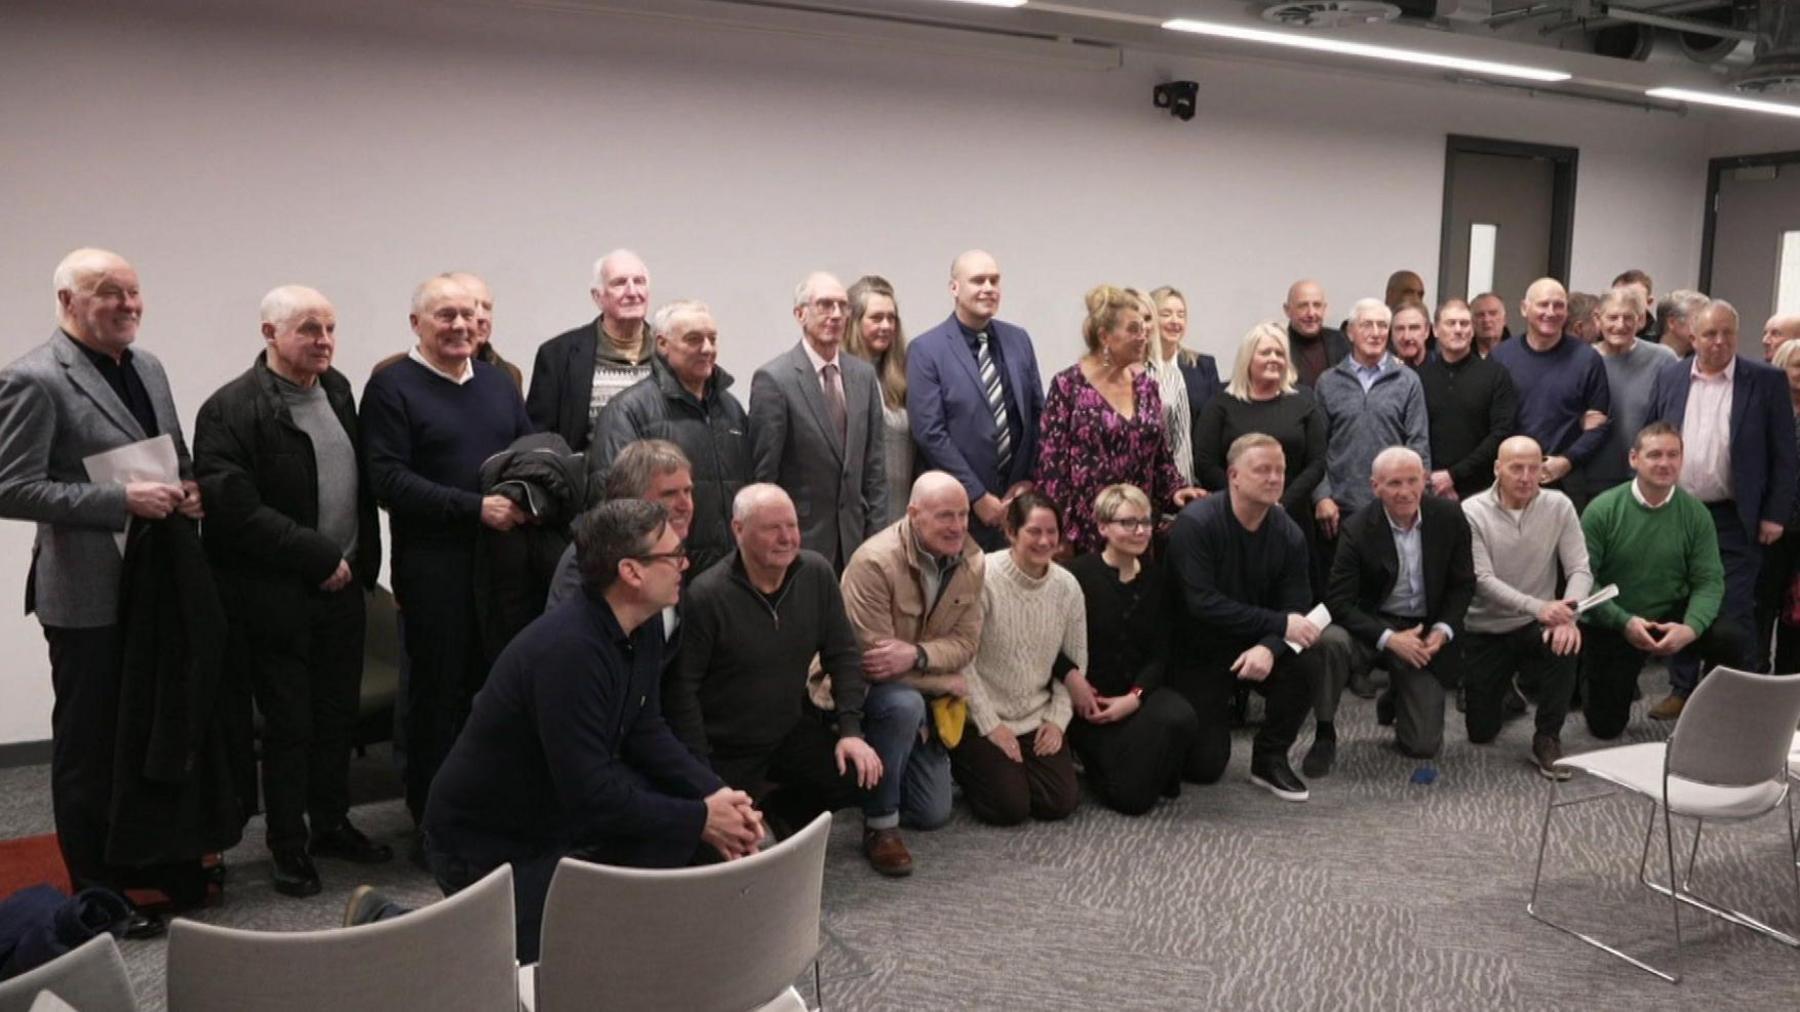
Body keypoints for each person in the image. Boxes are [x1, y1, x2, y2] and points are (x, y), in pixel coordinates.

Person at [415, 499, 762, 962]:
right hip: (485, 844)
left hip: (551, 816)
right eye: (673, 555)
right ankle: (389, 922)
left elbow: (646, 728)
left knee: (676, 854)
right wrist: (700, 818)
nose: (685, 564)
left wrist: (719, 797)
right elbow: (591, 793)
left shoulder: (644, 625)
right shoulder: (570, 652)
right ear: (631, 572)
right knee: (517, 960)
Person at [0, 249, 205, 923]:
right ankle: (96, 888)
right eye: (107, 293)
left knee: (148, 729)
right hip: (86, 593)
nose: (127, 305)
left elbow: (170, 449)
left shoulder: (148, 366)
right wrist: (119, 501)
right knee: (89, 746)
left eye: (134, 292)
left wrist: (191, 486)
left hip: (155, 582)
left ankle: (145, 858)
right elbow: (11, 486)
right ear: (68, 302)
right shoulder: (33, 378)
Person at [192, 285, 388, 898]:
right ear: (270, 333)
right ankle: (287, 845)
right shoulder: (230, 409)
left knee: (335, 717)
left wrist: (357, 563)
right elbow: (232, 510)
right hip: (275, 597)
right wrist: (315, 555)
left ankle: (330, 823)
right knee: (289, 725)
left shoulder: (337, 390)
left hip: (343, 589)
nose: (324, 341)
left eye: (330, 328)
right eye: (309, 329)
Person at [360, 274, 534, 826]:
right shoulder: (393, 387)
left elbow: (528, 451)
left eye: (467, 314)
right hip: (435, 571)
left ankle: (489, 812)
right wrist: (473, 508)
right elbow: (387, 479)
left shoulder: (498, 383)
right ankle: (434, 820)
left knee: (496, 693)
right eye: (444, 316)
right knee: (438, 699)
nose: (460, 325)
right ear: (417, 324)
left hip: (502, 569)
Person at [665, 485, 883, 843]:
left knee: (859, 777)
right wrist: (701, 774)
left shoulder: (816, 574)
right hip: (725, 748)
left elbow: (842, 654)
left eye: (792, 525)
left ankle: (779, 814)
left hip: (786, 732)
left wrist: (850, 731)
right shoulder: (707, 596)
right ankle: (759, 821)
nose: (787, 538)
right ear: (738, 530)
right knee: (743, 847)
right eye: (772, 528)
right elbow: (682, 690)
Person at [1646, 299, 1796, 710]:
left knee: (1731, 606)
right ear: (1693, 337)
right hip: (1678, 510)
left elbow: (1785, 455)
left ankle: (1717, 694)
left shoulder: (1765, 381)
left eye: (1727, 333)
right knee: (1680, 597)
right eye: (1709, 333)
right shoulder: (1671, 377)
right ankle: (1681, 688)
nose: (1718, 341)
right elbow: (1652, 438)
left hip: (1736, 514)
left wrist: (1774, 514)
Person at [839, 472, 985, 871]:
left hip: (918, 688)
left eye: (963, 515)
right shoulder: (874, 561)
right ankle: (880, 826)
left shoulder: (972, 560)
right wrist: (942, 680)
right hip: (868, 691)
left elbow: (966, 646)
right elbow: (874, 662)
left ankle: (883, 769)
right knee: (903, 706)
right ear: (913, 514)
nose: (957, 527)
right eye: (944, 516)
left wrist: (918, 655)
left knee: (932, 813)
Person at [1167, 434, 1324, 801]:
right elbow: (1201, 603)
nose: (1274, 478)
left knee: (1310, 657)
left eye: (1280, 471)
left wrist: (1271, 647)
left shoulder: (1289, 534)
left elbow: (1296, 607)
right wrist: (1278, 626)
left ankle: (1269, 757)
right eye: (1262, 470)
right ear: (1234, 475)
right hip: (1197, 646)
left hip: (1254, 642)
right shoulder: (1197, 524)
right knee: (1203, 769)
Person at [1578, 422, 1751, 739]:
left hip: (1671, 610)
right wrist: (1624, 622)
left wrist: (1691, 627)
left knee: (1730, 636)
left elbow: (1709, 580)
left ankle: (1712, 713)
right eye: (1655, 454)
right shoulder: (1602, 510)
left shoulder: (1695, 513)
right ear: (1634, 459)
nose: (1665, 463)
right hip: (1616, 617)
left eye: (1673, 455)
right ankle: (1588, 673)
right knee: (1605, 727)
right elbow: (1584, 580)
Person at [1318, 448, 1473, 764]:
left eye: (1412, 481)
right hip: (1372, 624)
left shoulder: (1449, 517)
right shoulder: (1358, 528)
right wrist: (1389, 638)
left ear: (1425, 480)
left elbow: (1463, 584)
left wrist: (1443, 631)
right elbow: (1338, 601)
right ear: (1375, 486)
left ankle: (1396, 694)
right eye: (1393, 484)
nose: (1405, 492)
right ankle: (1323, 730)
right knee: (1329, 642)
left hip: (1423, 629)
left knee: (1422, 746)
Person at [1063, 484, 1200, 814]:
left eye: (1145, 522)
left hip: (1135, 698)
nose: (1140, 531)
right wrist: (1071, 679)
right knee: (1132, 801)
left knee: (1180, 715)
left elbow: (1160, 653)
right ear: (1103, 527)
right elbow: (1050, 643)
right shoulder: (1075, 575)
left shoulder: (1158, 580)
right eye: (1128, 522)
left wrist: (1135, 696)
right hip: (1088, 704)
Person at [1034, 284, 1202, 554]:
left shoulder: (1147, 387)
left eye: (1144, 329)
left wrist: (1176, 490)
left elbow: (1161, 459)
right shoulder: (1068, 386)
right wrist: (1059, 531)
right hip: (1085, 537)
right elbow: (1051, 468)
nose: (1143, 337)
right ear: (1105, 336)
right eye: (1133, 330)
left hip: (1140, 530)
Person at [1460, 436, 1591, 777]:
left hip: (1537, 627)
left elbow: (1579, 568)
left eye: (1535, 468)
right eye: (1516, 468)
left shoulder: (1558, 505)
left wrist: (1568, 616)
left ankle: (1547, 736)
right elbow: (1482, 579)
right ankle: (1507, 691)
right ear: (1497, 469)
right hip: (1486, 628)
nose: (1525, 476)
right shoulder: (1471, 511)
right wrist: (1539, 606)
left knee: (1566, 642)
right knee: (1481, 733)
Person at [951, 491, 1083, 824]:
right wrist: (990, 725)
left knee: (1059, 803)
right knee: (1010, 809)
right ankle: (966, 764)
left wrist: (1057, 719)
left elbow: (1075, 662)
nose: (1044, 540)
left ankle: (1014, 771)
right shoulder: (983, 575)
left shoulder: (1067, 587)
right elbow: (963, 659)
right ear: (1011, 532)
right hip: (982, 715)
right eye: (1034, 531)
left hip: (1035, 714)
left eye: (1051, 532)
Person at [593, 299, 752, 574]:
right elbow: (615, 504)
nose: (707, 348)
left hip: (731, 575)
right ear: (663, 344)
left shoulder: (731, 408)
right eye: (694, 339)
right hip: (667, 572)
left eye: (712, 339)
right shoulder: (628, 410)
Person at [908, 249, 1044, 551]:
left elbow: (1038, 416)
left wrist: (1029, 480)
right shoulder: (926, 350)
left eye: (994, 280)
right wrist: (976, 495)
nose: (988, 288)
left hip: (1016, 506)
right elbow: (930, 433)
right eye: (978, 280)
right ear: (954, 288)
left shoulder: (1018, 340)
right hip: (958, 512)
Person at [750, 271, 886, 570]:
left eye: (842, 306)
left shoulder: (863, 376)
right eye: (825, 305)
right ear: (800, 314)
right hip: (800, 542)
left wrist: (875, 538)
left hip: (856, 542)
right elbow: (764, 476)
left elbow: (874, 469)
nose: (836, 314)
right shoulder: (775, 379)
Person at [1193, 322, 1331, 589]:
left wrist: (1280, 504)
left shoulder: (1303, 400)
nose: (1273, 359)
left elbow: (1317, 461)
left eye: (1279, 353)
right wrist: (1246, 499)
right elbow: (1205, 462)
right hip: (1235, 519)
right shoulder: (1222, 403)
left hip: (1293, 515)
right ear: (1248, 357)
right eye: (1265, 352)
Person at [1490, 278, 1611, 508]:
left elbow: (1599, 427)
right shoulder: (1502, 357)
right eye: (1543, 304)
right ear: (1525, 308)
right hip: (1511, 480)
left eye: (1559, 305)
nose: (1551, 312)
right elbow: (1491, 422)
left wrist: (1566, 461)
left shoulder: (1587, 360)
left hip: (1565, 479)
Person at [1313, 298, 1430, 523]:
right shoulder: (1328, 382)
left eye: (1382, 325)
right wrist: (1322, 497)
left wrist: (1415, 499)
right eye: (1367, 325)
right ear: (1350, 332)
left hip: (1393, 507)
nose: (1376, 333)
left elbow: (1419, 446)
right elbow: (1317, 449)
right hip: (1339, 509)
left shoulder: (1408, 381)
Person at [526, 249, 653, 454]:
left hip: (665, 482)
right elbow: (540, 440)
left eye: (639, 282)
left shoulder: (672, 352)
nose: (632, 292)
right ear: (597, 297)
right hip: (586, 482)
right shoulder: (558, 355)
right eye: (620, 283)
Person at [545, 438, 694, 611]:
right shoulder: (587, 557)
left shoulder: (670, 545)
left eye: (688, 491)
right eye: (669, 494)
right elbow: (572, 634)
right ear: (633, 500)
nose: (685, 505)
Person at [1415, 298, 1518, 501]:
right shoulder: (1419, 377)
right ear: (1435, 330)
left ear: (1472, 330)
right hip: (1429, 488)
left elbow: (1501, 432)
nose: (1458, 329)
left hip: (1481, 491)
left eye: (1464, 323)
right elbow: (1414, 433)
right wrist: (1431, 479)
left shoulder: (1495, 375)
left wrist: (1453, 476)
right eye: (1451, 323)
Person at [1586, 286, 1676, 494]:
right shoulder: (1582, 360)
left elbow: (1674, 419)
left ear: (1641, 320)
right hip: (1590, 479)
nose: (1620, 325)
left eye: (1628, 317)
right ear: (1598, 319)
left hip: (1646, 480)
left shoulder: (1663, 359)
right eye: (1613, 317)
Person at [844, 275, 912, 526]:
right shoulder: (840, 377)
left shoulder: (904, 375)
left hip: (903, 509)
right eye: (876, 318)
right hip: (860, 515)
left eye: (891, 318)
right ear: (853, 322)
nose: (886, 326)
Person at [1755, 338, 1800, 673]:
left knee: (1795, 612)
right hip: (1768, 524)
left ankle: (1789, 679)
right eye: (1797, 365)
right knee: (1761, 605)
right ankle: (1755, 673)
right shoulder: (1764, 408)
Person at [1148, 286, 1221, 487]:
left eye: (1181, 315)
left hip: (1197, 476)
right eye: (1166, 314)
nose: (1175, 321)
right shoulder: (1137, 369)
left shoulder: (1203, 365)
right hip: (1150, 474)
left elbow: (1215, 424)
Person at [1282, 279, 1349, 388]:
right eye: (1303, 306)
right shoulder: (1278, 346)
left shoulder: (1340, 341)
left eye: (1317, 305)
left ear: (1324, 309)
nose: (1311, 313)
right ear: (1287, 310)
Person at [1655, 289, 1708, 360]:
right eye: (1699, 319)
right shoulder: (1644, 359)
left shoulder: (1705, 363)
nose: (1707, 326)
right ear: (1672, 322)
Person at [1613, 268, 1660, 342]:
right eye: (1619, 299)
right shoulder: (1599, 334)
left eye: (1634, 300)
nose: (1626, 306)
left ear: (1649, 302)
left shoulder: (1661, 340)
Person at [1389, 301, 1431, 368]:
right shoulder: (1381, 374)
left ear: (1426, 331)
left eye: (1413, 328)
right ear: (1391, 334)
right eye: (1400, 329)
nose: (1406, 337)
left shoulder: (1442, 372)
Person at [1470, 292, 1510, 357]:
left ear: (1504, 319)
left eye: (1493, 313)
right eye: (1480, 315)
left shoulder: (1518, 355)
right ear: (1472, 321)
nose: (1486, 320)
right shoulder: (1460, 357)